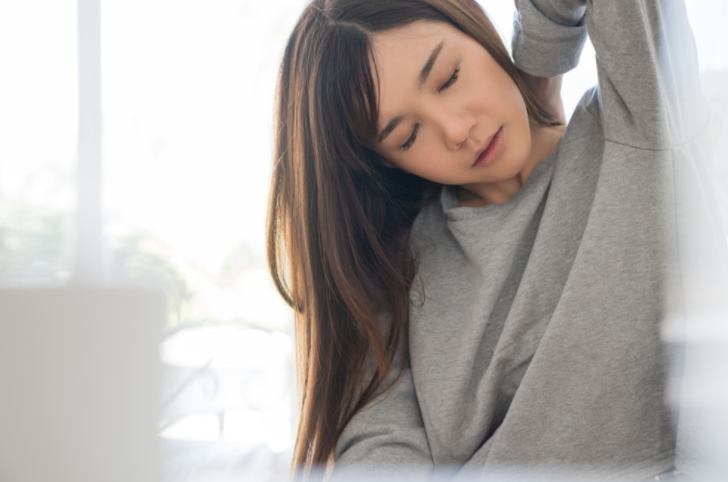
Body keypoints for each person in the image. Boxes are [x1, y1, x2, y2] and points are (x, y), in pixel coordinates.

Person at [266, 0, 708, 480]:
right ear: (385, 163)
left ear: (473, 29)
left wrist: (540, 65)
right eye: (408, 136)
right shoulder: (396, 270)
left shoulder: (639, 127)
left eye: (450, 77)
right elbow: (377, 454)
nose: (457, 130)